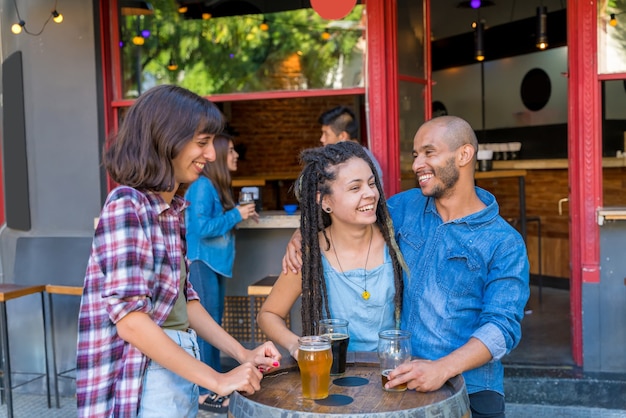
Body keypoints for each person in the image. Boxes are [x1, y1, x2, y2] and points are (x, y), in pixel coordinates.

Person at [283, 116, 529, 418]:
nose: (416, 165)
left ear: (464, 155)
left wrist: (442, 368)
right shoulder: (405, 207)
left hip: (470, 386)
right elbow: (345, 214)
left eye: (429, 152)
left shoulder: (504, 241)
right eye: (415, 155)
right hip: (397, 379)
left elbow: (502, 329)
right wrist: (302, 235)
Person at [76, 85, 280, 418]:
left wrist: (242, 353)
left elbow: (185, 301)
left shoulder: (171, 211)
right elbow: (131, 323)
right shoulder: (128, 206)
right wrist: (217, 380)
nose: (211, 155)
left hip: (178, 363)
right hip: (142, 374)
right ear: (164, 141)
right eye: (202, 143)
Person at [258, 141, 405, 359]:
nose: (370, 194)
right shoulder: (310, 255)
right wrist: (296, 346)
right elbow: (268, 314)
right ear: (324, 201)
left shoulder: (397, 240)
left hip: (391, 374)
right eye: (355, 188)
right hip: (334, 378)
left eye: (372, 184)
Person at [185, 133, 258, 410]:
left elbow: (214, 224)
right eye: (230, 150)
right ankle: (205, 390)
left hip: (212, 263)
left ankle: (212, 383)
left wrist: (239, 214)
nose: (235, 154)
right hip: (202, 262)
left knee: (213, 325)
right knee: (207, 327)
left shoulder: (213, 186)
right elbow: (201, 229)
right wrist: (236, 215)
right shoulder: (202, 185)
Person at [318, 105, 383, 181]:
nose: (322, 139)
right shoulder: (345, 159)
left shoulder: (360, 162)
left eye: (326, 134)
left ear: (343, 136)